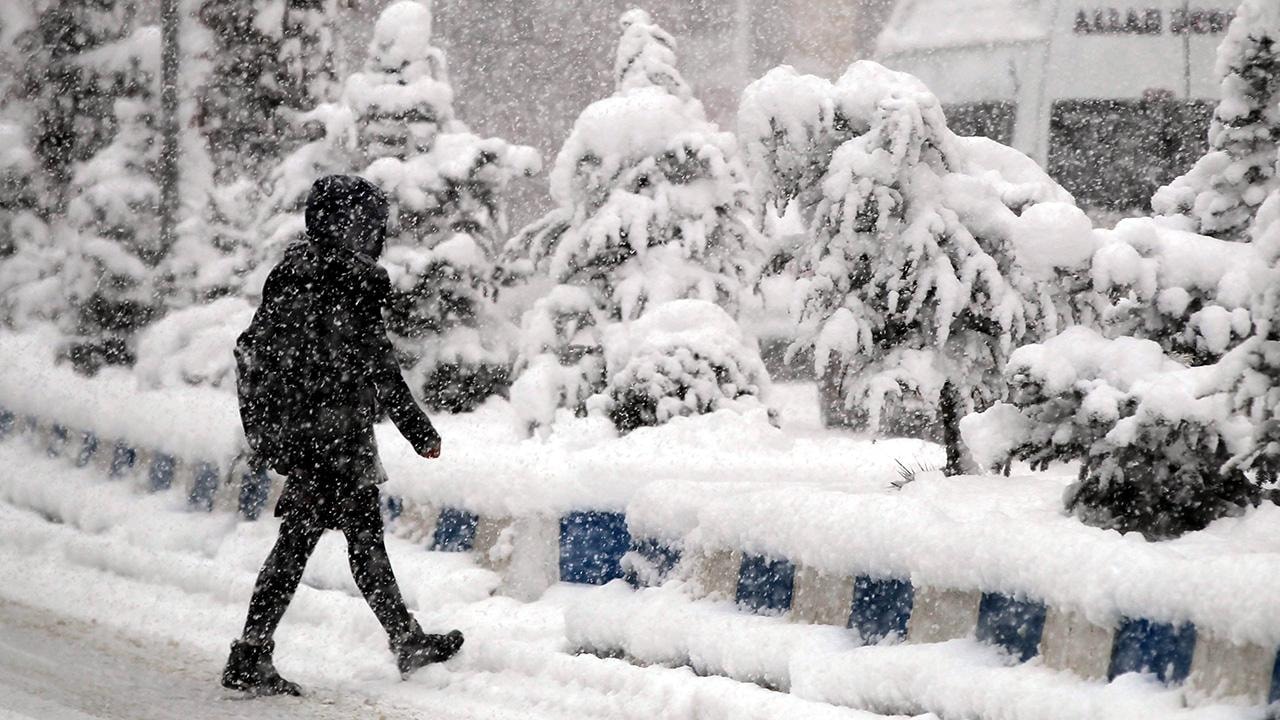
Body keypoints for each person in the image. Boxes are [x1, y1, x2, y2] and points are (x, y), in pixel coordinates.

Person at [222, 175, 463, 696]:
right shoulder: (348, 281)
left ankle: (399, 639)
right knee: (325, 542)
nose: (375, 234)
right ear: (348, 225)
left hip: (306, 433)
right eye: (369, 224)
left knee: (335, 538)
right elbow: (379, 366)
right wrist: (420, 432)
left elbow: (274, 352)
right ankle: (254, 651)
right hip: (332, 436)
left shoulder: (293, 272)